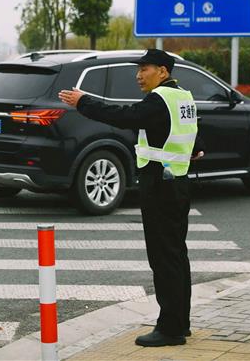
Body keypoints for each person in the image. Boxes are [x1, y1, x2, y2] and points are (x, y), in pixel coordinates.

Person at [58, 48, 203, 348]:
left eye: (145, 69)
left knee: (163, 258)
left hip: (160, 186)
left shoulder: (158, 99)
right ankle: (180, 322)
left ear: (163, 71)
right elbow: (188, 134)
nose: (138, 75)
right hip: (176, 182)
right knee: (176, 255)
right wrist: (196, 148)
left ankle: (170, 329)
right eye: (138, 70)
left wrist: (83, 101)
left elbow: (123, 116)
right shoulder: (183, 97)